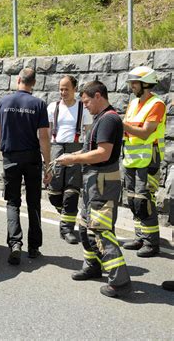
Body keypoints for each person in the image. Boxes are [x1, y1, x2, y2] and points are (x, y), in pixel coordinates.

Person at [57, 81, 131, 298]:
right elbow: (90, 148)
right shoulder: (100, 118)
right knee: (85, 226)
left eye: (87, 101)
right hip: (93, 181)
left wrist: (74, 158)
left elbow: (103, 153)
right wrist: (73, 157)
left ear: (98, 96)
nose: (85, 106)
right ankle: (93, 266)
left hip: (102, 182)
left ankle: (120, 281)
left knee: (100, 230)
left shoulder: (109, 119)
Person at [0, 68, 52, 265]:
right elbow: (44, 137)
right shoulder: (39, 104)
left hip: (11, 156)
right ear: (33, 83)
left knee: (12, 202)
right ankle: (34, 247)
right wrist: (48, 165)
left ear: (18, 80)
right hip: (32, 158)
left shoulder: (3, 102)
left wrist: (6, 149)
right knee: (34, 201)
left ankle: (15, 244)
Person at [122, 66, 167, 258]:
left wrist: (121, 124)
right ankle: (140, 236)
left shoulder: (157, 104)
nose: (132, 86)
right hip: (132, 158)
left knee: (144, 199)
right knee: (133, 199)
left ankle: (152, 243)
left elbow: (146, 132)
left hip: (149, 158)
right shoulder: (133, 104)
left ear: (146, 83)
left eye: (135, 83)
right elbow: (130, 131)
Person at [47, 75, 92, 244]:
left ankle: (67, 229)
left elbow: (88, 133)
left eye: (66, 89)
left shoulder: (83, 108)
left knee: (71, 192)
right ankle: (66, 215)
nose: (63, 92)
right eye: (60, 89)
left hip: (75, 148)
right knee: (53, 192)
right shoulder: (53, 107)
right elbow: (47, 132)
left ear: (74, 89)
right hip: (56, 148)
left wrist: (84, 153)